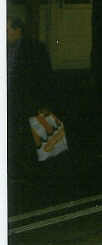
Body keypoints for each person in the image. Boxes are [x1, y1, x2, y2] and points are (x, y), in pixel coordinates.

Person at [7, 16, 57, 175]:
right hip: (12, 98)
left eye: (7, 30)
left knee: (36, 136)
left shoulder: (34, 48)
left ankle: (39, 170)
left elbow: (45, 76)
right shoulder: (6, 47)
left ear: (18, 30)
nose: (5, 34)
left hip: (29, 98)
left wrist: (45, 100)